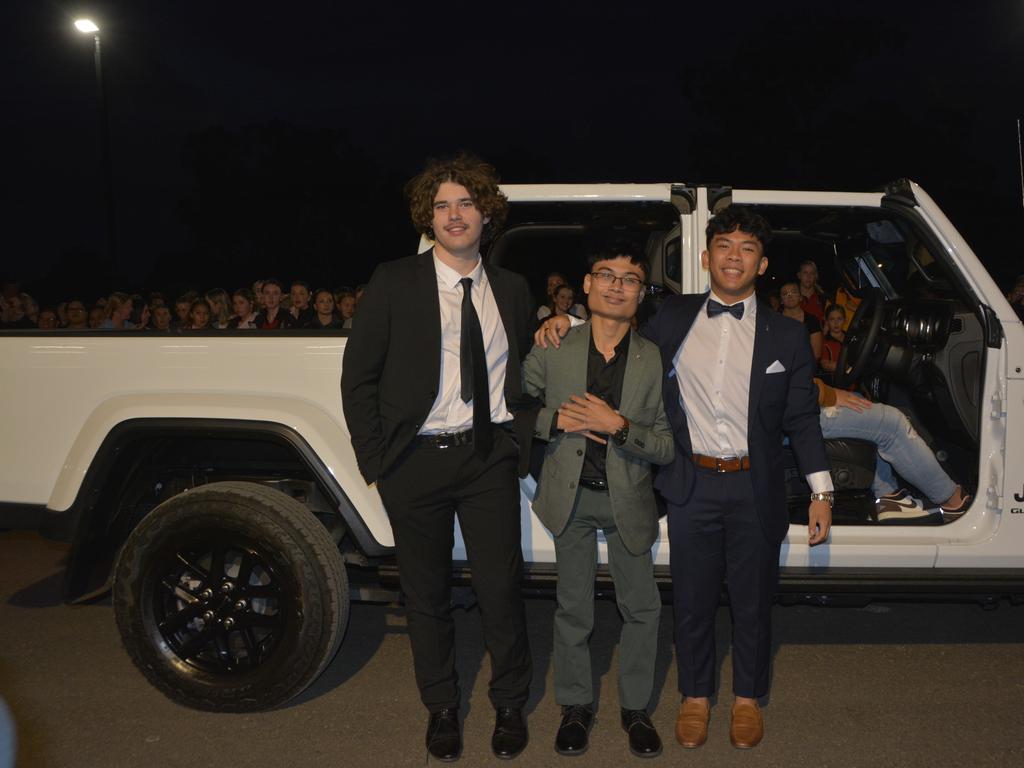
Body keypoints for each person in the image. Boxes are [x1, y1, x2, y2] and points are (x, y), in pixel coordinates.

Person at [537, 206, 832, 750]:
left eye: (746, 247)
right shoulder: (673, 317)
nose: (734, 256)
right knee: (691, 600)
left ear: (762, 263)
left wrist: (821, 490)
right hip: (690, 481)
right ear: (706, 257)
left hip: (755, 485)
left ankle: (747, 698)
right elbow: (616, 330)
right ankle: (694, 697)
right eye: (724, 245)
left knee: (752, 600)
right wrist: (569, 320)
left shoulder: (788, 337)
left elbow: (801, 420)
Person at [341, 154, 537, 762]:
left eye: (466, 204)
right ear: (429, 216)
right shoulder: (395, 279)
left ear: (486, 214)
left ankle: (509, 704)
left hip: (488, 460)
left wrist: (516, 443)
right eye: (443, 205)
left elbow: (525, 371)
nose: (455, 215)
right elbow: (359, 378)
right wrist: (379, 462)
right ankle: (443, 708)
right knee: (425, 596)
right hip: (414, 464)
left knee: (501, 588)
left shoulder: (512, 287)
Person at [523, 245, 673, 758]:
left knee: (642, 608)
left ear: (640, 293)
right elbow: (514, 408)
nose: (616, 285)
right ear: (586, 285)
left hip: (629, 500)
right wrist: (552, 421)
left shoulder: (653, 359)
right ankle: (575, 707)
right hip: (569, 500)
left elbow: (667, 444)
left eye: (629, 279)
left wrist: (621, 427)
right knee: (572, 608)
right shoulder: (554, 345)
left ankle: (635, 710)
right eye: (605, 275)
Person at [815, 379, 971, 521]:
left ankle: (887, 496)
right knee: (892, 424)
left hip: (804, 398)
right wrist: (829, 394)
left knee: (858, 400)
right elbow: (796, 386)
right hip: (802, 409)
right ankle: (953, 502)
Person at [779, 281, 823, 360]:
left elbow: (816, 353)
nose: (790, 296)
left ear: (800, 297)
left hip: (805, 368)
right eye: (785, 294)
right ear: (781, 300)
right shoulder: (774, 320)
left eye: (794, 292)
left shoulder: (812, 320)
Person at [819, 305, 846, 378]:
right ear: (827, 322)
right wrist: (847, 366)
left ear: (844, 320)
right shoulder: (825, 342)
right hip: (836, 383)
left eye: (839, 319)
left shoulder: (851, 337)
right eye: (832, 319)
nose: (836, 323)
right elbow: (825, 364)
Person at [796, 259, 826, 325]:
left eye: (811, 273)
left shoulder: (824, 299)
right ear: (799, 275)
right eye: (805, 273)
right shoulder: (792, 299)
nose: (808, 276)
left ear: (815, 276)